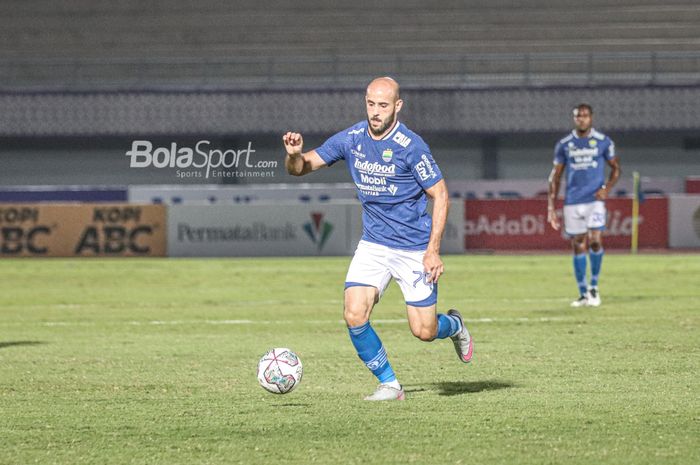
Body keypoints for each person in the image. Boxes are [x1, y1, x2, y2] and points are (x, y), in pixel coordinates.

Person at [282, 77, 473, 401]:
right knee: (354, 313)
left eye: (383, 105)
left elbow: (440, 195)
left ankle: (453, 326)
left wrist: (433, 252)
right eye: (371, 104)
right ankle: (390, 384)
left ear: (397, 106)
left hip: (413, 248)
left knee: (424, 332)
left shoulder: (411, 146)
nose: (375, 111)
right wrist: (294, 155)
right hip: (374, 245)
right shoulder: (353, 138)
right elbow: (301, 168)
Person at [547, 103, 621, 307]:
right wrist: (551, 206)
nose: (581, 119)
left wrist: (607, 187)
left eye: (585, 116)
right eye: (578, 116)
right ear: (574, 119)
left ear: (591, 118)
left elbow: (616, 168)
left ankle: (594, 287)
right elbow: (556, 176)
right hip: (572, 202)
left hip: (594, 201)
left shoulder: (603, 142)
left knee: (595, 240)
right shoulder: (564, 144)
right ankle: (583, 293)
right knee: (578, 244)